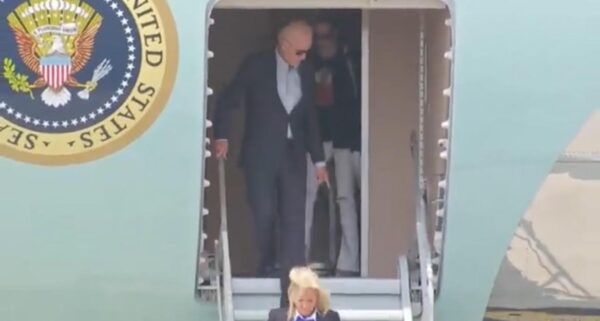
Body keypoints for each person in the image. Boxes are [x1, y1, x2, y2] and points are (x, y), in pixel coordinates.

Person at [212, 19, 329, 307]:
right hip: (260, 153)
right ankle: (268, 261)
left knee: (293, 216)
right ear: (284, 45)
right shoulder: (257, 65)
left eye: (307, 53)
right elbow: (230, 98)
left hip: (293, 153)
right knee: (264, 212)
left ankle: (295, 278)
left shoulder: (306, 71)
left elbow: (310, 120)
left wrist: (318, 160)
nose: (304, 58)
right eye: (300, 52)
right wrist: (222, 135)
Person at [305, 18, 361, 277]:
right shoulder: (308, 65)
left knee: (345, 198)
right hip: (318, 138)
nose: (323, 43)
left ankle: (349, 263)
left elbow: (357, 100)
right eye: (318, 39)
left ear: (336, 36)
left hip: (345, 139)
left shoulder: (349, 62)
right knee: (308, 197)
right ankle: (301, 258)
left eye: (326, 37)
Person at [268, 266, 341, 321]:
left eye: (310, 301)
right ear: (293, 298)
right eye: (300, 300)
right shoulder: (277, 317)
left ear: (317, 297)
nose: (305, 306)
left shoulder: (331, 318)